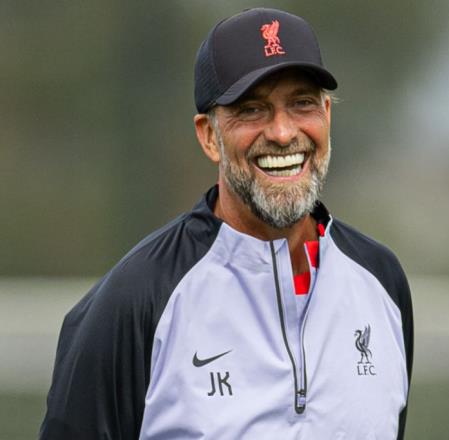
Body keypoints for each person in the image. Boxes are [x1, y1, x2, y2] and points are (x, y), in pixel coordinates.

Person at [40, 7, 413, 440]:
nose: (282, 133)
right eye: (252, 109)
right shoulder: (137, 300)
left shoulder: (381, 282)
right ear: (208, 135)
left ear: (326, 116)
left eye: (302, 103)